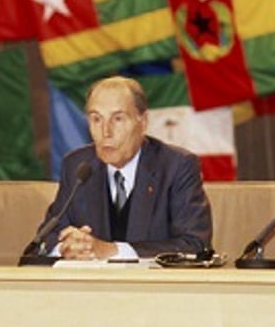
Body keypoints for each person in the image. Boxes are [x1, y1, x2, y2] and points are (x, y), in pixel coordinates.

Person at [40, 76, 212, 260]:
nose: (106, 132)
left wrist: (113, 251)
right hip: (92, 286)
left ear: (143, 121)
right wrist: (66, 248)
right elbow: (45, 239)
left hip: (153, 286)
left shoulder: (176, 166)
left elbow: (194, 244)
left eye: (118, 119)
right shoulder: (78, 165)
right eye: (96, 119)